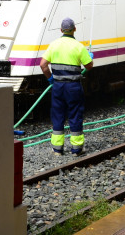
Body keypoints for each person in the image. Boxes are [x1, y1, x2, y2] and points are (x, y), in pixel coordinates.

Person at [40, 17, 93, 156]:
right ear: (74, 29)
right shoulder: (79, 46)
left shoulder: (54, 45)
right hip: (73, 87)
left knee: (58, 115)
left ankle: (57, 149)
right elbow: (89, 66)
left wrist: (51, 79)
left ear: (61, 30)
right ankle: (76, 149)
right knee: (75, 115)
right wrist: (90, 57)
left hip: (58, 86)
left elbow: (43, 65)